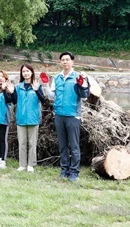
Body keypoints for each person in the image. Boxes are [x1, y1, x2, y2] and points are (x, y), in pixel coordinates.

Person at [42, 51, 89, 182]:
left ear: (72, 62)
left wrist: (81, 84)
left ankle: (74, 172)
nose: (65, 62)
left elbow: (85, 97)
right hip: (59, 115)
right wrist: (45, 84)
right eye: (63, 60)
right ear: (60, 62)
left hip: (73, 115)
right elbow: (52, 96)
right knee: (62, 145)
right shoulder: (57, 78)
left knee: (74, 145)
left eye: (67, 60)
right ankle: (64, 170)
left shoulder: (79, 76)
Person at [14, 64, 47, 173]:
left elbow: (43, 100)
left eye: (28, 71)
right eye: (24, 71)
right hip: (21, 118)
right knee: (22, 143)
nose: (26, 73)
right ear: (21, 74)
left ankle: (31, 164)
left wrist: (37, 90)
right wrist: (10, 92)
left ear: (32, 72)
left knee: (32, 143)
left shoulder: (37, 86)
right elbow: (14, 101)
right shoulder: (18, 87)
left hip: (33, 118)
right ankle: (22, 164)